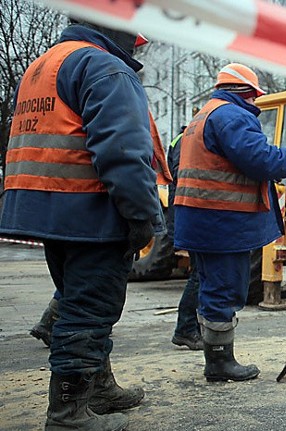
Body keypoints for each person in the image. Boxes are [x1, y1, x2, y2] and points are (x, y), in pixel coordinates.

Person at [0, 18, 164, 431]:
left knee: (77, 299)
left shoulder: (45, 65)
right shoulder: (105, 67)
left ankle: (99, 390)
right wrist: (141, 215)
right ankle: (69, 414)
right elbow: (124, 152)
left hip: (48, 207)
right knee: (91, 311)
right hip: (91, 210)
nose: (136, 50)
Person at [174, 63, 286, 382]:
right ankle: (220, 363)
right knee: (225, 288)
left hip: (200, 219)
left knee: (211, 286)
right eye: (255, 98)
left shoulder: (203, 116)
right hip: (222, 222)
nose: (255, 105)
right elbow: (260, 159)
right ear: (247, 93)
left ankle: (216, 357)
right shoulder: (232, 116)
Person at [29, 113, 172, 349]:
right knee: (91, 293)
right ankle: (80, 374)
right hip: (101, 204)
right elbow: (123, 152)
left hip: (65, 202)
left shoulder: (53, 90)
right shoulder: (112, 83)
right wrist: (140, 215)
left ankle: (61, 338)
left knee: (78, 281)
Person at [167, 126, 203, 350]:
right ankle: (186, 329)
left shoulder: (183, 139)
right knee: (201, 274)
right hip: (190, 214)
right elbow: (185, 176)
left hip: (188, 214)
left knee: (201, 274)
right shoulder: (186, 141)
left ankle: (190, 328)